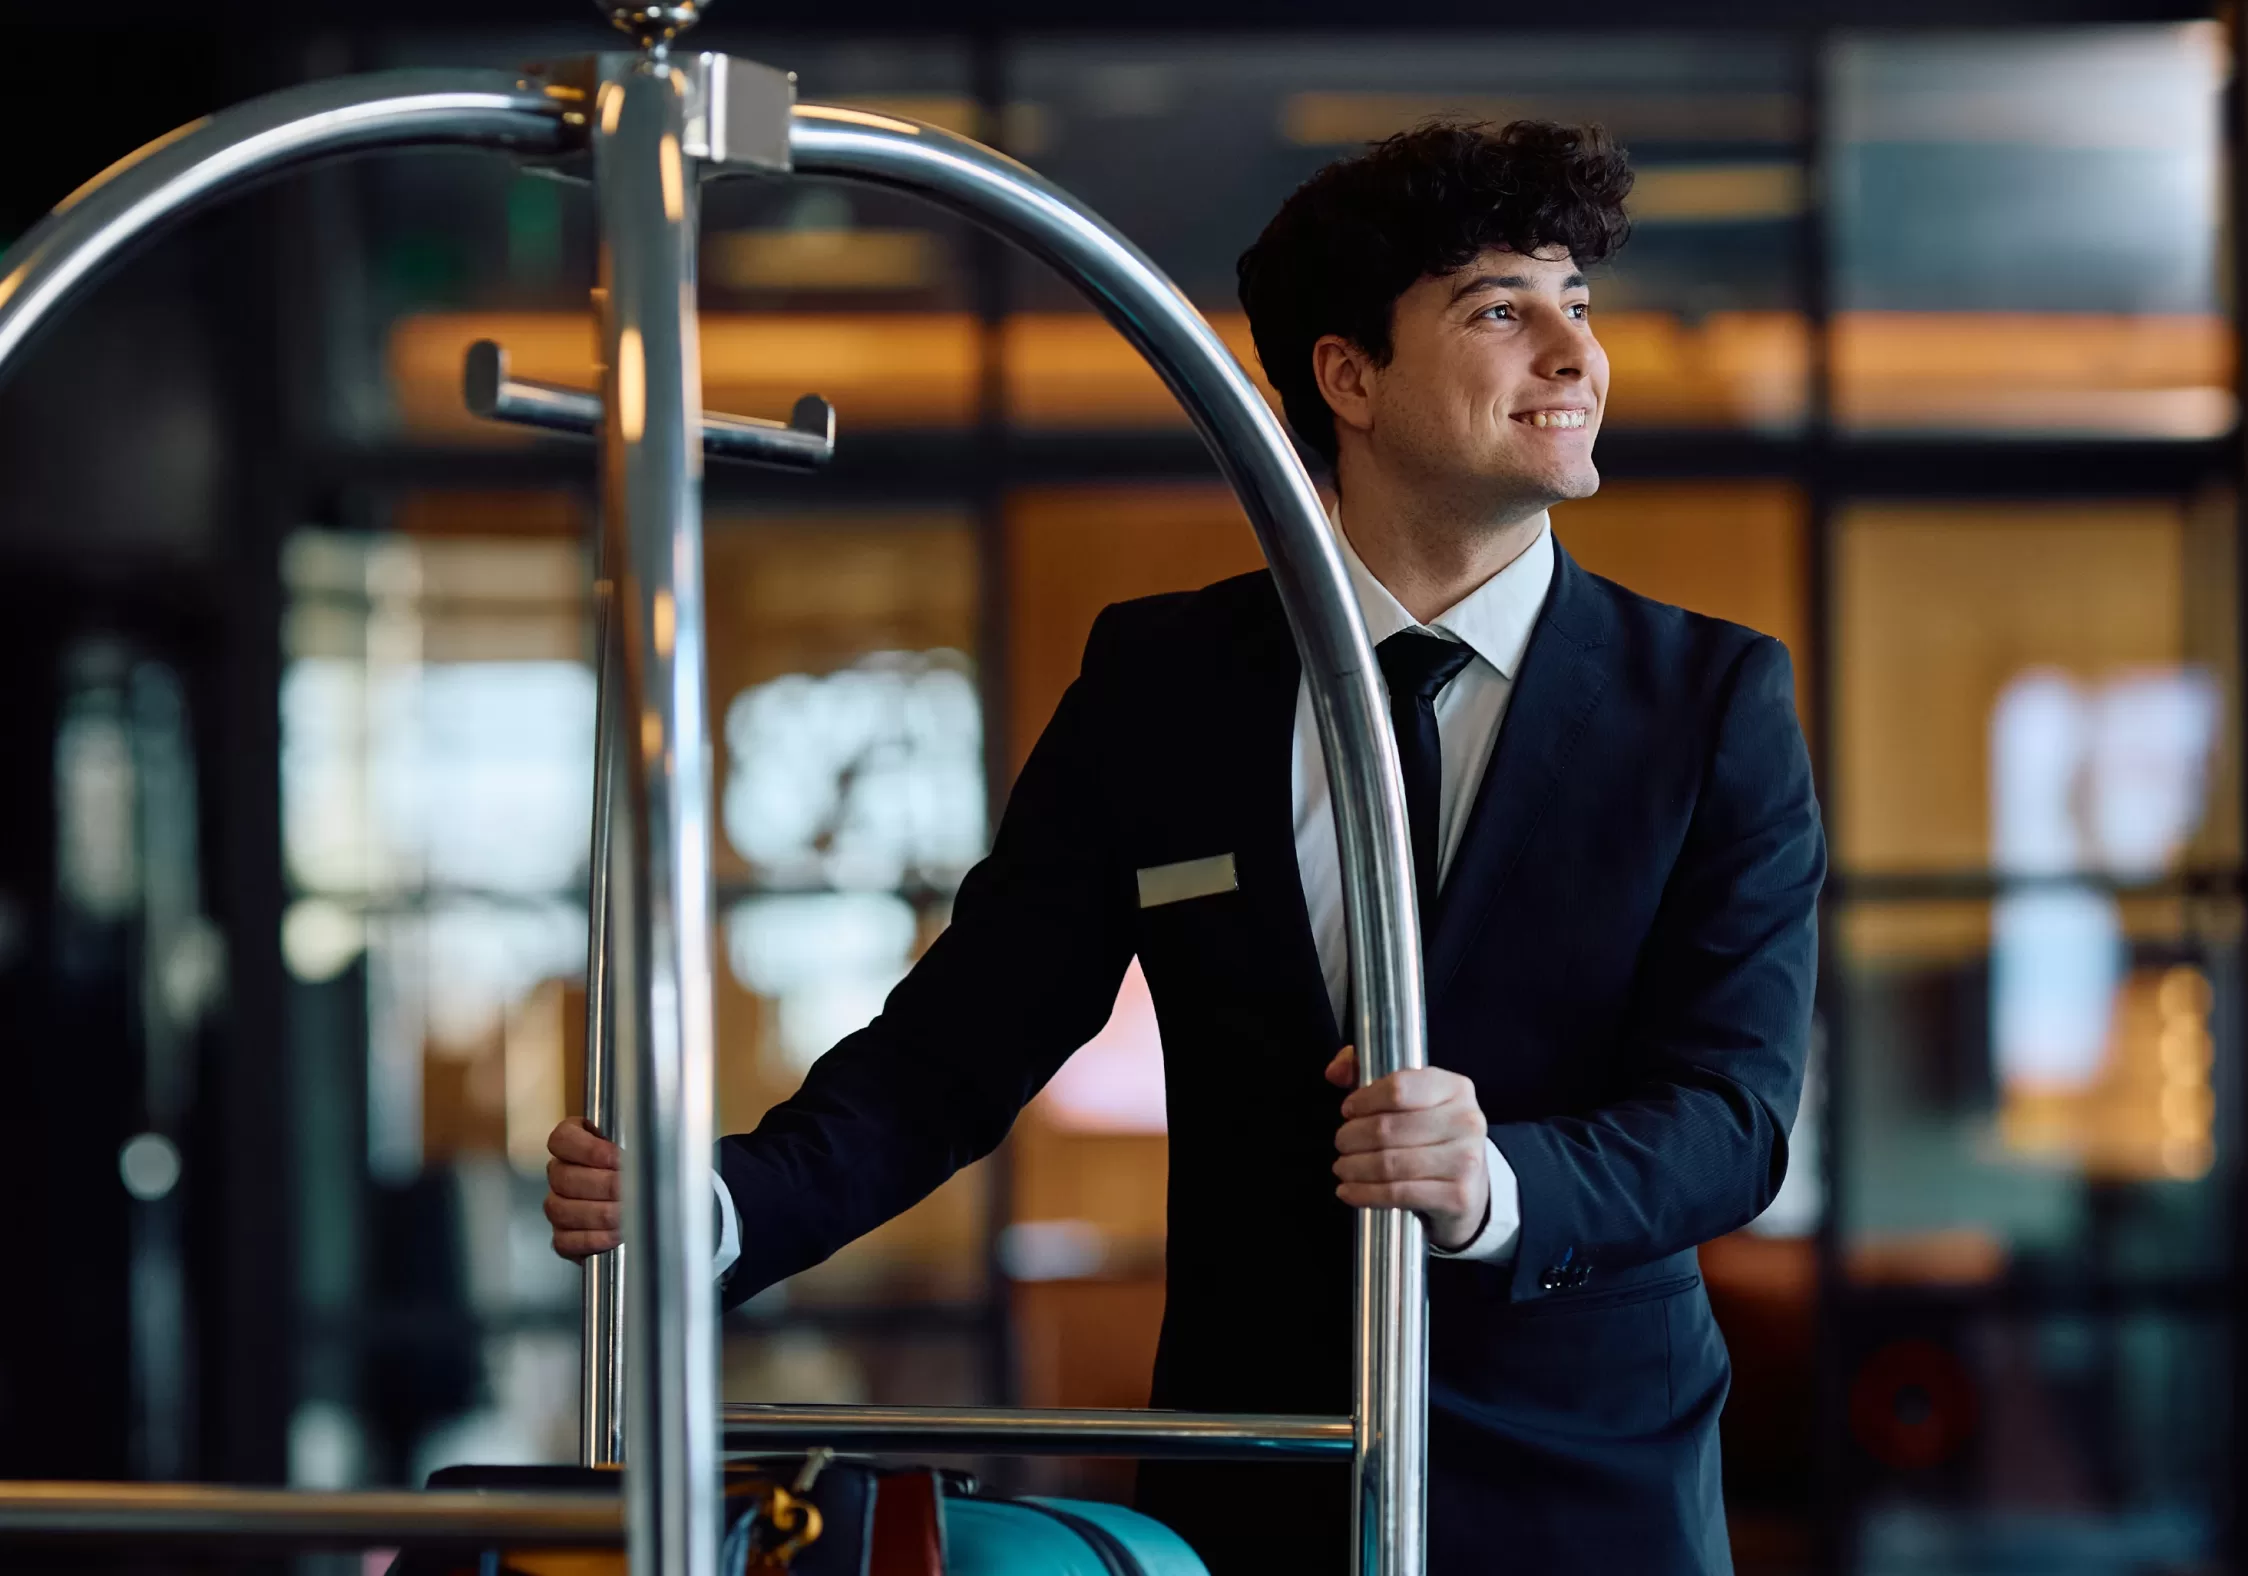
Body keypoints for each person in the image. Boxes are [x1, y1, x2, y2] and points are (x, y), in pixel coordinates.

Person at [546, 119, 1823, 1575]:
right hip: (1255, 1467)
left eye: (1576, 307)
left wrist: (1497, 1186)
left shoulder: (1714, 702)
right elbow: (964, 1047)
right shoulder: (1163, 682)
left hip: (1590, 1485)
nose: (1574, 354)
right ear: (1348, 377)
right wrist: (712, 1211)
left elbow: (1735, 1115)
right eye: (1500, 310)